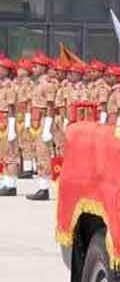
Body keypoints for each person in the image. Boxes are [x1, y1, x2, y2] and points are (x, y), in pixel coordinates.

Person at [27, 53, 58, 200]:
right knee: (38, 153)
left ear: (44, 68)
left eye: (36, 66)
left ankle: (44, 189)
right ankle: (41, 186)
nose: (33, 68)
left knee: (43, 155)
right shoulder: (38, 83)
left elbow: (50, 106)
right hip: (36, 121)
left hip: (44, 120)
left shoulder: (48, 85)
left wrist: (47, 128)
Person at [0, 55, 16, 196]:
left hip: (6, 120)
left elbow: (11, 107)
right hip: (0, 119)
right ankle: (5, 182)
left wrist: (11, 127)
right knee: (2, 154)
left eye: (1, 68)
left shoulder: (9, 86)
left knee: (9, 153)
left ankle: (11, 185)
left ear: (8, 71)